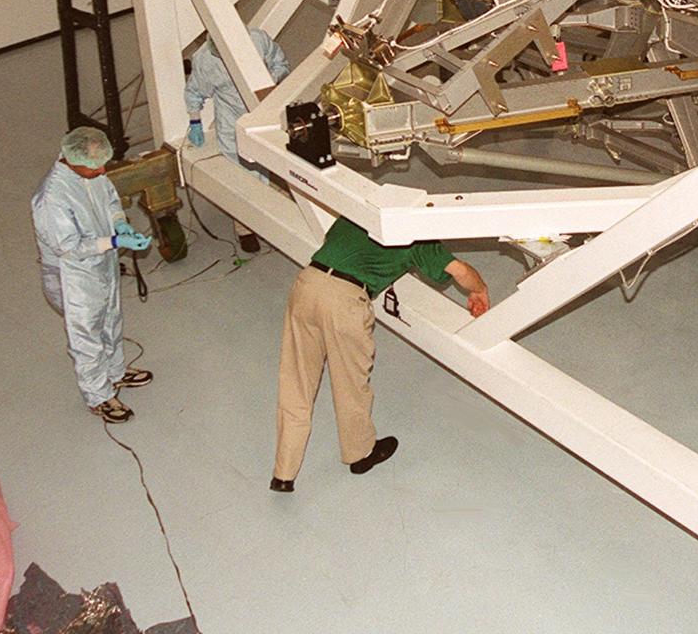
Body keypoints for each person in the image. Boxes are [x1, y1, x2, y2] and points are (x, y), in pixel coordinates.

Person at [271, 217, 490, 492]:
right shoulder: (416, 234)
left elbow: (338, 241)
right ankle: (360, 454)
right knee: (350, 385)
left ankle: (283, 474)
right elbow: (459, 271)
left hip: (307, 284)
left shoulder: (358, 213)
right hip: (346, 301)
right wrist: (479, 288)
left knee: (296, 382)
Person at [31, 127, 153, 423]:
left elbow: (109, 200)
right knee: (87, 335)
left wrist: (120, 223)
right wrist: (113, 242)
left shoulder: (91, 173)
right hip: (72, 274)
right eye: (94, 166)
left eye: (103, 164)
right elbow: (69, 248)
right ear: (72, 161)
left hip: (100, 263)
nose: (102, 170)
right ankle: (98, 395)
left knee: (111, 318)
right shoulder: (52, 197)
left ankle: (116, 371)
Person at [184, 28, 290, 252]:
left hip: (268, 112)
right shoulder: (206, 60)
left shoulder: (257, 39)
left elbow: (280, 62)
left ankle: (279, 213)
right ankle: (245, 229)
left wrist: (269, 82)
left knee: (279, 166)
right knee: (243, 179)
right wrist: (195, 121)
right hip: (233, 122)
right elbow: (194, 91)